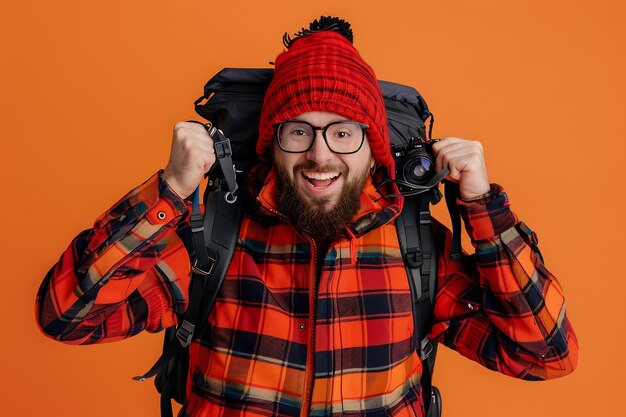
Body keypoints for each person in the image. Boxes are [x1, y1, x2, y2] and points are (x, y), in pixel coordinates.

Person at [36, 17, 578, 417]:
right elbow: (66, 315)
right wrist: (172, 190)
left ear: (375, 149)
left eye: (343, 132)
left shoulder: (418, 253)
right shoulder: (212, 245)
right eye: (299, 130)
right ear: (274, 143)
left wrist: (483, 208)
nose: (321, 155)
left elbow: (545, 355)